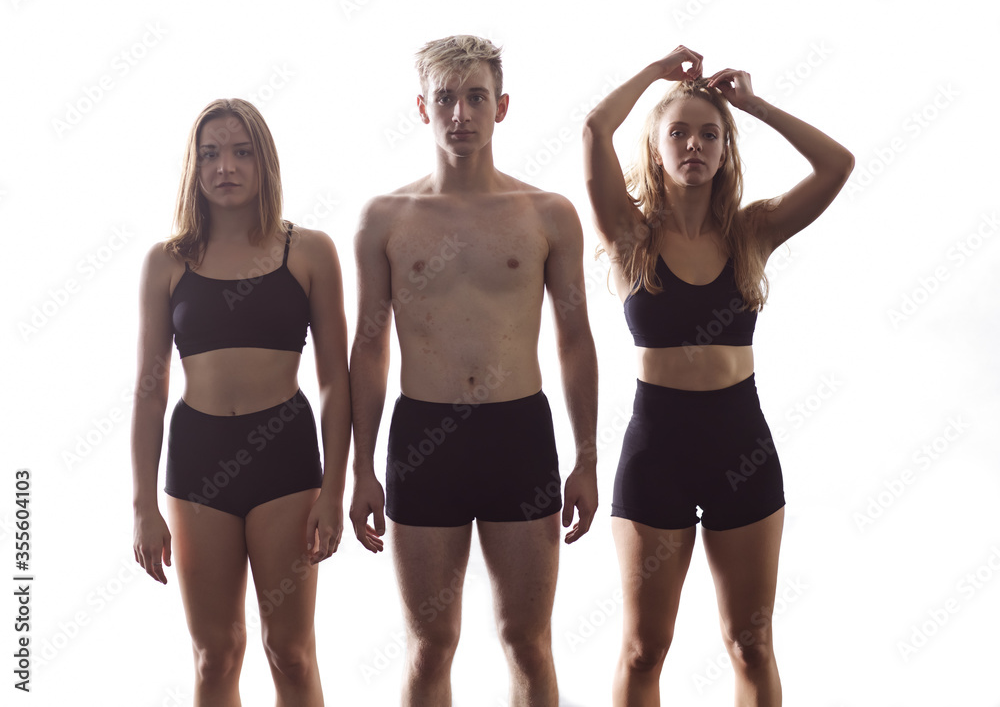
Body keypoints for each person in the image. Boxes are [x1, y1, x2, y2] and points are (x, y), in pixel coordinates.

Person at [582, 45, 854, 705]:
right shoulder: (628, 236)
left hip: (741, 444)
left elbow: (836, 164)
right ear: (656, 146)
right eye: (678, 132)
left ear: (725, 150)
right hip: (656, 450)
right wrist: (653, 75)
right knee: (644, 648)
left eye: (709, 134)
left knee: (750, 643)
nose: (695, 145)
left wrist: (752, 105)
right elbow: (594, 130)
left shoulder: (751, 232)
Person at [348, 35, 599, 706]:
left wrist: (587, 457)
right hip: (423, 436)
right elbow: (368, 350)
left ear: (502, 107)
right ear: (423, 110)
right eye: (446, 98)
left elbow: (575, 339)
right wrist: (360, 467)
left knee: (526, 641)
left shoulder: (547, 214)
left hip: (518, 434)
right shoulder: (384, 219)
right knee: (431, 645)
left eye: (476, 97)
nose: (461, 112)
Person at [130, 98, 350, 706]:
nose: (225, 166)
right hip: (198, 460)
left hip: (284, 457)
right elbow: (150, 393)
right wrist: (143, 504)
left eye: (240, 151)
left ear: (264, 161)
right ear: (194, 167)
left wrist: (334, 490)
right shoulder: (166, 262)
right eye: (210, 153)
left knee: (291, 651)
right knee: (215, 656)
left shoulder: (308, 252)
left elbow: (337, 383)